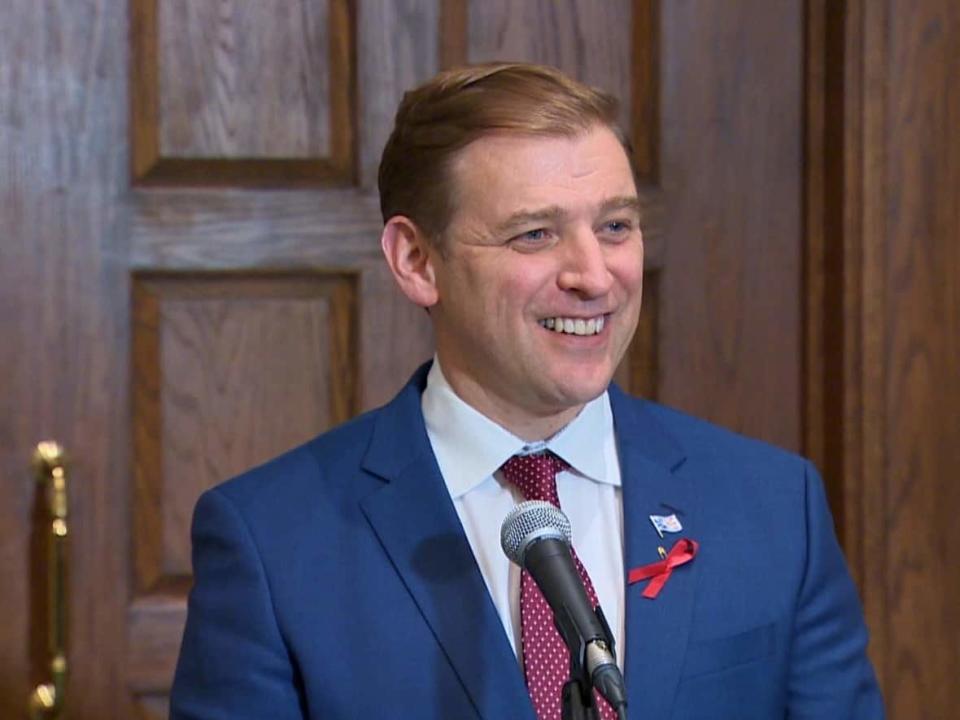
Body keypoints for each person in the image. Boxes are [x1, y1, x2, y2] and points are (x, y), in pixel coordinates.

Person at [170, 62, 884, 720]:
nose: (594, 275)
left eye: (614, 226)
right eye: (536, 234)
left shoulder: (771, 505)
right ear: (417, 261)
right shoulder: (272, 541)